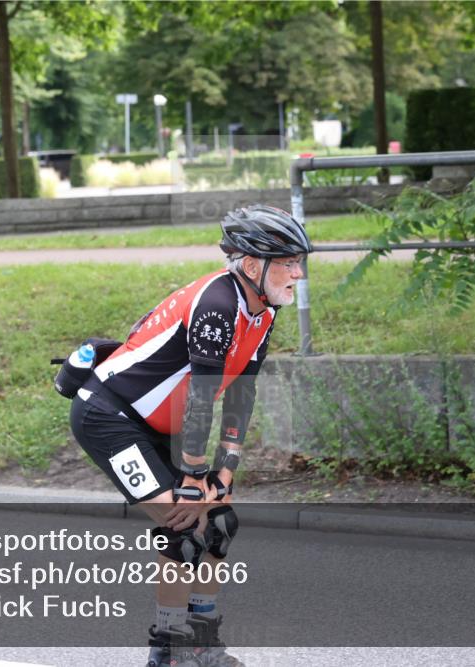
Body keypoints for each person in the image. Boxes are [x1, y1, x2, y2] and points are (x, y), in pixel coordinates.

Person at [68, 205, 313, 666]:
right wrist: (193, 476)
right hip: (109, 416)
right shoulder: (218, 305)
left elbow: (242, 390)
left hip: (164, 421)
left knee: (219, 523)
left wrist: (226, 469)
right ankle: (168, 651)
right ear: (252, 264)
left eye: (300, 260)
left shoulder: (262, 310)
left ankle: (201, 642)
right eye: (289, 261)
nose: (298, 273)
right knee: (184, 526)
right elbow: (202, 397)